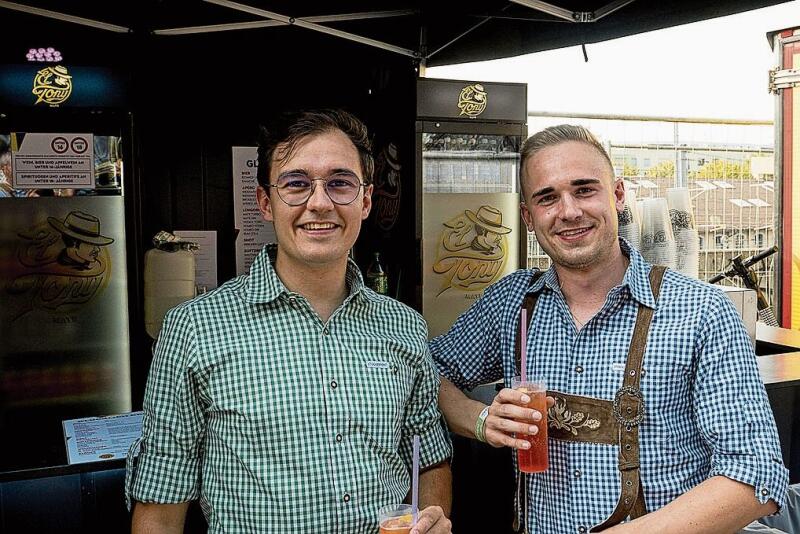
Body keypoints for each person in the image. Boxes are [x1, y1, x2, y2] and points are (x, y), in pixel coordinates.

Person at [430, 124, 788, 533]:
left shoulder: (700, 311)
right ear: (528, 217)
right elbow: (425, 370)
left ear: (617, 195)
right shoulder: (513, 304)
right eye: (547, 198)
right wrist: (479, 420)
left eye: (584, 189)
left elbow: (755, 476)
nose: (568, 211)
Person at [127, 109, 453, 534]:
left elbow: (429, 458)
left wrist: (431, 520)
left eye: (340, 183)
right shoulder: (195, 328)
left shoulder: (403, 325)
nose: (319, 203)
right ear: (266, 202)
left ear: (367, 200)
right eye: (296, 184)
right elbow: (162, 504)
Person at [48, 210, 114, 271]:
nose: (97, 249)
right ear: (73, 243)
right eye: (91, 244)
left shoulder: (92, 268)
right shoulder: (52, 268)